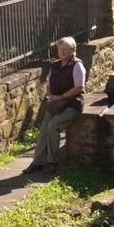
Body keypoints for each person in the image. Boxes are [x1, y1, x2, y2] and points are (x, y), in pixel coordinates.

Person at [22, 37, 86, 175]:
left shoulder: (77, 66)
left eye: (65, 50)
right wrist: (51, 96)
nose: (62, 52)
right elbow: (49, 84)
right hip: (56, 104)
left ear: (73, 51)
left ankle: (52, 162)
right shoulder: (55, 65)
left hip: (72, 104)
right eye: (60, 49)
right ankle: (37, 163)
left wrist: (61, 97)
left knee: (53, 126)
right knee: (44, 129)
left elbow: (78, 87)